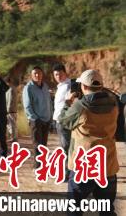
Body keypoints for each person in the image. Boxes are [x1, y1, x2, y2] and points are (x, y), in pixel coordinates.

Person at [58, 69, 118, 216]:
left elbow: (63, 120)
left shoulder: (80, 106)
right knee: (107, 211)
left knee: (74, 209)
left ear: (83, 86)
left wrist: (68, 102)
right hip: (107, 166)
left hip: (83, 166)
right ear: (101, 86)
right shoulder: (114, 105)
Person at [22, 66, 52, 167]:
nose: (37, 75)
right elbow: (27, 106)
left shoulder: (45, 86)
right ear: (31, 75)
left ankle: (43, 165)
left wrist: (50, 116)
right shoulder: (28, 88)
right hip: (36, 120)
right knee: (37, 144)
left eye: (39, 73)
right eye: (35, 73)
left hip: (46, 119)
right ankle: (37, 166)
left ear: (42, 74)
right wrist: (35, 119)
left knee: (44, 144)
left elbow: (49, 102)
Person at [52, 64, 72, 172]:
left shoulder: (69, 86)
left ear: (65, 73)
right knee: (64, 146)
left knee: (66, 147)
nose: (58, 76)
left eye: (60, 74)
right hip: (58, 121)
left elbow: (70, 103)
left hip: (64, 120)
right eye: (56, 75)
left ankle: (67, 172)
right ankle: (68, 171)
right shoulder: (60, 86)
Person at [5, 77, 19, 143]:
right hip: (13, 109)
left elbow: (10, 100)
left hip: (11, 110)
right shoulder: (13, 88)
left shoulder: (10, 89)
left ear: (7, 82)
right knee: (12, 124)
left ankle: (14, 138)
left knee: (11, 124)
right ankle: (14, 137)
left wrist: (7, 110)